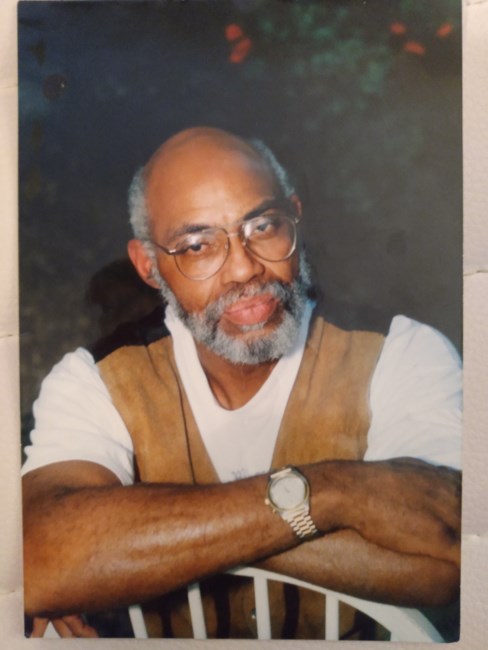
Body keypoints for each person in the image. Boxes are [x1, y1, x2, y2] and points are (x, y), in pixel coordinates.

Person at [22, 127, 462, 639]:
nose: (243, 268)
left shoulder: (401, 351)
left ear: (295, 216)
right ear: (148, 265)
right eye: (197, 245)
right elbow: (34, 561)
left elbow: (452, 559)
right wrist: (331, 493)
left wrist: (138, 546)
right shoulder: (95, 379)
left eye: (263, 226)